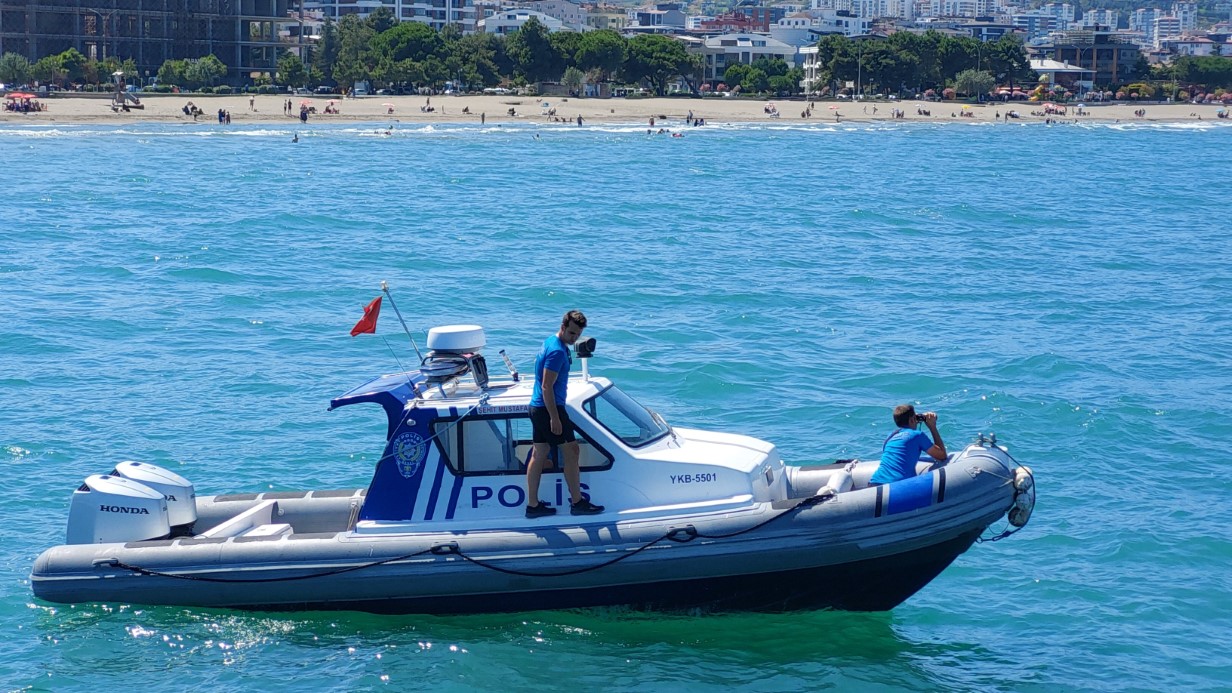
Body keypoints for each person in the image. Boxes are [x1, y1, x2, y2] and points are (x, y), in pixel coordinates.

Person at [525, 310, 604, 518]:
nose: (574, 338)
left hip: (537, 407)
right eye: (571, 333)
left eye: (577, 334)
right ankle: (577, 502)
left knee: (540, 453)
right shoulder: (557, 351)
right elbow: (546, 386)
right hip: (547, 408)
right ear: (563, 326)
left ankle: (532, 505)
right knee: (572, 451)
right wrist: (554, 417)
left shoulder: (551, 342)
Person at [869, 405, 947, 486]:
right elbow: (942, 456)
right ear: (912, 420)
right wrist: (932, 426)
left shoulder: (890, 437)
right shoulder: (917, 435)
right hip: (896, 486)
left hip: (874, 483)